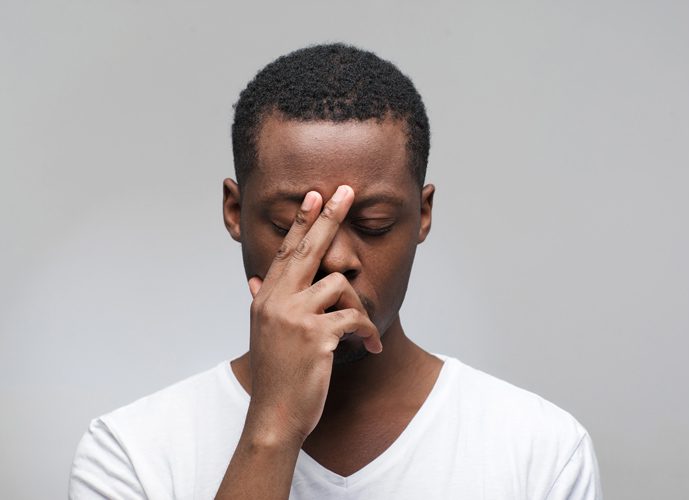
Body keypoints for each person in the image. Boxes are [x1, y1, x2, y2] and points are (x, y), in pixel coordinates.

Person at [69, 43, 602, 499]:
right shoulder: (130, 453)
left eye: (372, 223)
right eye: (290, 224)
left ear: (423, 215)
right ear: (235, 212)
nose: (335, 258)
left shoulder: (541, 450)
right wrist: (273, 429)